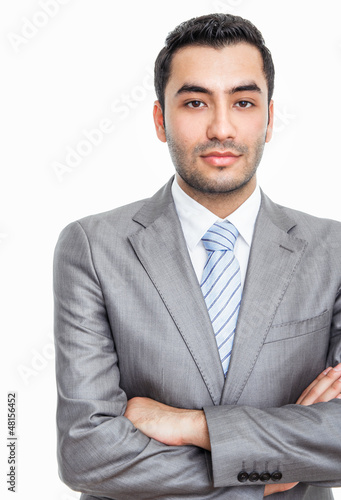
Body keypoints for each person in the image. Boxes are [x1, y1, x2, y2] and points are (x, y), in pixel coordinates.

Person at [53, 13, 341, 499]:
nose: (221, 127)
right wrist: (265, 476)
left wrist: (189, 425)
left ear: (269, 120)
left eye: (244, 102)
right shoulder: (92, 247)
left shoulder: (333, 252)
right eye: (194, 102)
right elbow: (86, 451)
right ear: (161, 120)